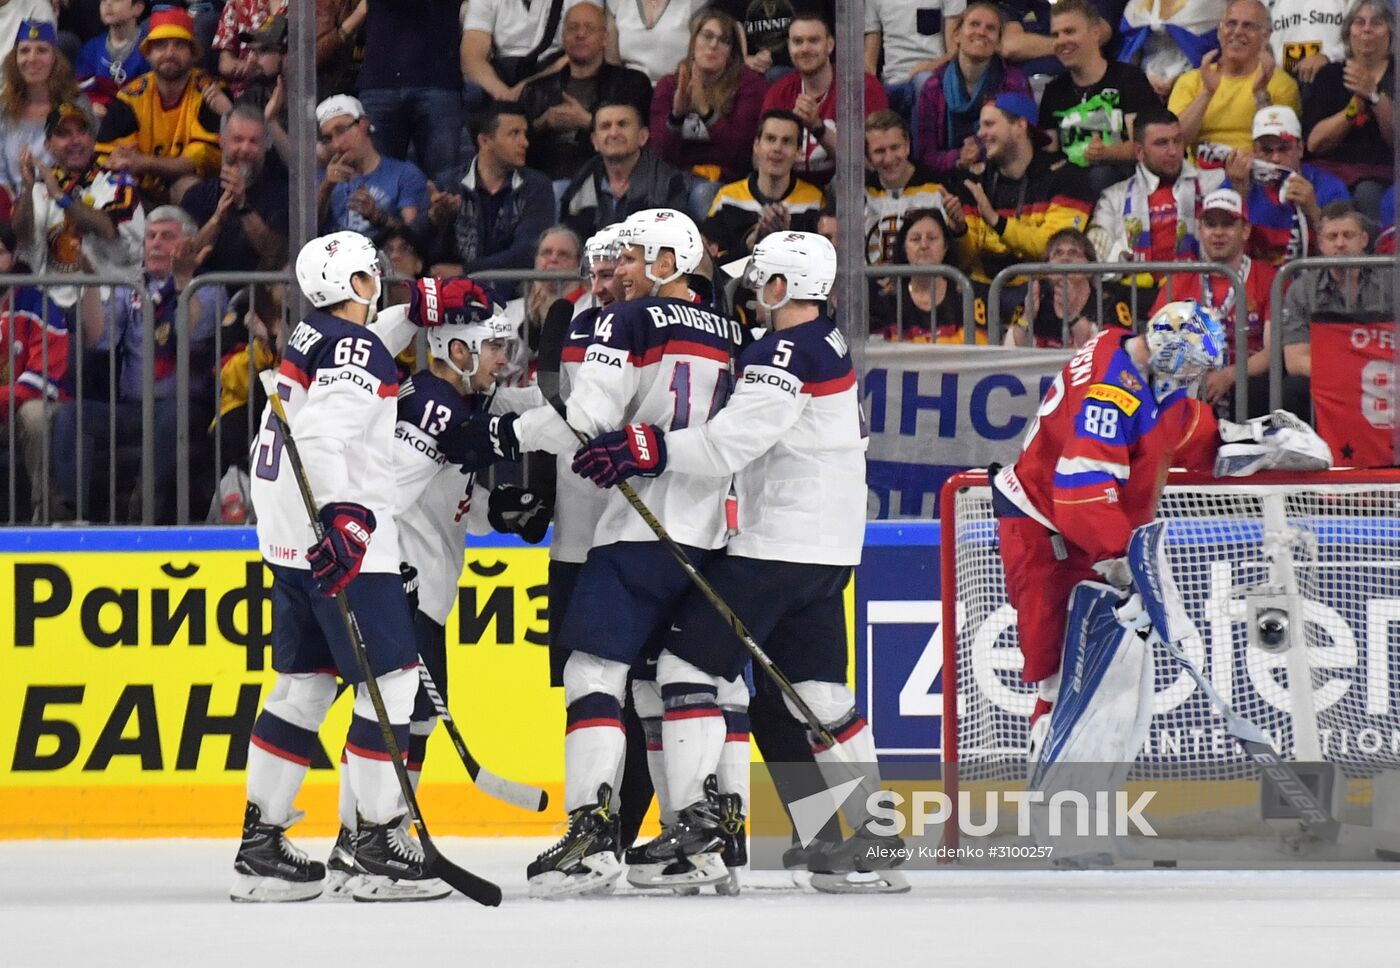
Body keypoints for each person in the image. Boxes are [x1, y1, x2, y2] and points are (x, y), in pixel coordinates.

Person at [572, 231, 903, 894]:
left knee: (684, 665)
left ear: (782, 287)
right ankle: (875, 840)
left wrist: (649, 448)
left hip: (776, 542)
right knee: (819, 694)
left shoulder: (783, 350)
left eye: (760, 280)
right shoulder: (825, 340)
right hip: (830, 547)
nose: (752, 290)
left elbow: (730, 443)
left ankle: (697, 832)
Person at [469, 208, 740, 898]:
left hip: (638, 530)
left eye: (635, 256)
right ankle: (702, 838)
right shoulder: (733, 331)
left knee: (593, 671)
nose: (620, 269)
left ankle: (592, 837)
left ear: (672, 260)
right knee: (673, 682)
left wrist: (505, 437)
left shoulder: (627, 321)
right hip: (713, 531)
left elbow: (584, 419)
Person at [230, 231, 490, 903]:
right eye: (376, 275)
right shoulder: (357, 347)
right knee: (395, 682)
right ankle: (375, 841)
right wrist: (345, 517)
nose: (384, 280)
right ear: (357, 285)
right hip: (345, 543)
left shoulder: (314, 335)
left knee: (303, 688)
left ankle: (261, 844)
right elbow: (325, 434)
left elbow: (358, 348)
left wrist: (420, 302)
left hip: (289, 541)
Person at [326, 303, 554, 896]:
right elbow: (385, 493)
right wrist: (390, 566)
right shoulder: (432, 401)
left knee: (411, 719)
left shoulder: (456, 402)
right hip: (404, 583)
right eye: (494, 347)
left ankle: (369, 839)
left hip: (424, 585)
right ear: (457, 349)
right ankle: (364, 847)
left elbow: (441, 495)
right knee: (391, 715)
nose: (504, 360)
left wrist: (497, 512)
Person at [991, 300, 1229, 739]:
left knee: (1100, 681)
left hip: (1080, 534)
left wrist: (1232, 440)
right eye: (1193, 368)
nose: (1196, 379)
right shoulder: (1111, 393)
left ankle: (1079, 798)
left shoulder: (1129, 348)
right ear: (1172, 355)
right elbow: (1081, 491)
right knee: (1062, 683)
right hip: (1046, 532)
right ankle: (1051, 799)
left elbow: (1161, 423)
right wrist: (1125, 565)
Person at [51, 206, 224, 524]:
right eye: (151, 237)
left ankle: (147, 505)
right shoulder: (132, 287)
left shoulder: (207, 287)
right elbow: (97, 338)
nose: (156, 244)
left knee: (174, 413)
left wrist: (184, 279)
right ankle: (71, 511)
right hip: (132, 408)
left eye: (167, 237)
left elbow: (189, 334)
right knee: (72, 416)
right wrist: (90, 280)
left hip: (184, 405)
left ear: (187, 244)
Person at [1147, 187, 1280, 415]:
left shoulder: (1270, 278)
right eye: (1210, 224)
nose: (1218, 233)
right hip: (1191, 380)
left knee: (1254, 389)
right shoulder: (1179, 280)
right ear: (1200, 230)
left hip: (1247, 384)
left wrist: (1228, 375)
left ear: (1245, 230)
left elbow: (1272, 351)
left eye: (1227, 224)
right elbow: (1156, 341)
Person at [952, 94, 1095, 295]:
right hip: (981, 294)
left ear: (1020, 126)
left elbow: (1053, 248)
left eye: (989, 124)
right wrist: (959, 231)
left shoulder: (1067, 176)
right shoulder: (973, 179)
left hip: (1041, 294)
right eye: (981, 126)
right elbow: (965, 258)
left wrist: (996, 221)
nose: (980, 133)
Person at [13, 99, 143, 308]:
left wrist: (60, 196)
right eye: (63, 134)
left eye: (82, 132)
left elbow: (108, 228)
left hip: (107, 305)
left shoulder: (117, 183)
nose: (75, 140)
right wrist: (27, 190)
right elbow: (20, 238)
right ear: (47, 145)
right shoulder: (36, 190)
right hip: (51, 310)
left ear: (92, 140)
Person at [1089, 107, 1230, 297]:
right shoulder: (1114, 198)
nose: (1173, 151)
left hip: (1200, 295)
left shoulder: (1213, 183)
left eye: (1177, 141)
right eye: (1161, 143)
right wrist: (1124, 257)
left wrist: (1239, 185)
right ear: (1139, 151)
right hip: (1134, 299)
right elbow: (1095, 260)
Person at [95, 8, 228, 204]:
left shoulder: (212, 93)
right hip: (139, 189)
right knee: (115, 183)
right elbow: (109, 158)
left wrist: (144, 162)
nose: (169, 53)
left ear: (193, 54)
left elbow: (198, 162)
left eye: (179, 45)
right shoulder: (129, 97)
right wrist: (129, 164)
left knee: (189, 185)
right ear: (148, 54)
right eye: (161, 45)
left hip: (191, 191)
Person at [414, 101, 555, 277]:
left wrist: (465, 271)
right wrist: (433, 219)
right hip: (453, 294)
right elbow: (412, 244)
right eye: (514, 134)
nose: (525, 143)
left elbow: (527, 252)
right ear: (485, 141)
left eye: (525, 134)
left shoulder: (536, 187)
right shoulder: (447, 185)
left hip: (515, 294)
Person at [520, 3, 653, 187]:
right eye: (573, 28)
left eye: (589, 28)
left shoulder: (631, 84)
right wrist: (542, 124)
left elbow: (641, 141)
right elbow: (516, 147)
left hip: (608, 178)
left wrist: (588, 122)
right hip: (545, 180)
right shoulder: (536, 90)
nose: (580, 34)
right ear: (564, 37)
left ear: (605, 38)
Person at [648, 9, 767, 211]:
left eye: (724, 41)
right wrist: (676, 116)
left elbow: (741, 155)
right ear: (694, 42)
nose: (713, 45)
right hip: (677, 176)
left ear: (732, 53)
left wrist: (706, 112)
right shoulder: (670, 85)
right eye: (707, 36)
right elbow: (659, 154)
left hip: (727, 180)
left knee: (702, 193)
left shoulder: (750, 86)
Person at [1039, 0, 1159, 198]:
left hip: (1123, 184)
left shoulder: (1129, 79)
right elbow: (1049, 154)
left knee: (1101, 175)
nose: (1060, 41)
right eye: (1055, 34)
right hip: (1071, 186)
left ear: (1095, 33)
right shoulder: (1054, 91)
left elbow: (1143, 146)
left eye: (1069, 31)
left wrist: (1106, 153)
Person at [758, 11, 887, 188]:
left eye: (813, 41)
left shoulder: (862, 87)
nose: (805, 49)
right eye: (797, 42)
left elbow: (872, 167)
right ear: (788, 47)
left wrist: (818, 129)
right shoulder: (779, 92)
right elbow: (758, 161)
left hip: (846, 197)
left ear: (830, 45)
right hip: (794, 194)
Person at [1302, 0, 1394, 225]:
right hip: (1328, 170)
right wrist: (1354, 108)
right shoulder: (1329, 75)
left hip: (1379, 173)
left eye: (1376, 23)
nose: (1367, 29)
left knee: (1367, 194)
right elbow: (1314, 143)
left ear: (1391, 32)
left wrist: (1374, 96)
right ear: (1348, 32)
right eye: (1359, 22)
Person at [915, 1, 1030, 180]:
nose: (981, 32)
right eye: (974, 24)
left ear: (999, 42)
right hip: (947, 183)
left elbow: (1023, 141)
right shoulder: (932, 87)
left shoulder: (1015, 82)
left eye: (990, 28)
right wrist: (958, 157)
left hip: (1002, 180)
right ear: (957, 35)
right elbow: (925, 155)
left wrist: (981, 151)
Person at [1167, 0, 1301, 153]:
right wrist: (1207, 94)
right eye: (1231, 24)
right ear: (1219, 31)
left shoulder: (1281, 83)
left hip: (1255, 171)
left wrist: (1260, 92)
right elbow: (1175, 145)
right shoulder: (1191, 80)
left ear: (1266, 35)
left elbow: (1279, 149)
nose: (1237, 32)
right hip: (1201, 172)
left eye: (1248, 26)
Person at [704, 109, 823, 264]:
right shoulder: (727, 197)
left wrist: (786, 240)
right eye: (770, 139)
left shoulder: (814, 201)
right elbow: (713, 264)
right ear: (756, 145)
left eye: (786, 141)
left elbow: (820, 263)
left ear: (799, 152)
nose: (777, 148)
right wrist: (751, 243)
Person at [558, 100, 688, 240]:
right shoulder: (579, 186)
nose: (613, 133)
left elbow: (674, 242)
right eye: (605, 126)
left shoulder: (668, 182)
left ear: (642, 137)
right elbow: (571, 247)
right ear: (595, 141)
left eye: (622, 124)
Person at [182, 103, 289, 272]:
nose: (245, 149)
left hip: (260, 295)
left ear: (266, 145)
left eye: (253, 141)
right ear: (222, 141)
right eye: (238, 140)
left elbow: (276, 256)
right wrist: (217, 218)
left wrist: (242, 206)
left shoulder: (283, 194)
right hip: (207, 295)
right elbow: (186, 258)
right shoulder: (197, 195)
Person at [1239, 104, 1350, 266]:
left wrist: (1313, 210)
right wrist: (1240, 195)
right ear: (1254, 151)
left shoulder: (1330, 188)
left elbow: (1346, 249)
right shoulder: (1238, 180)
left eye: (1284, 149)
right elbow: (1216, 247)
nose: (1276, 158)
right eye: (1266, 150)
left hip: (1312, 284)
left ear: (1300, 149)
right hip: (1254, 284)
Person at [315, 93, 427, 237]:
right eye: (328, 138)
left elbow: (415, 239)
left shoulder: (404, 174)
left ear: (363, 125)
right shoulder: (324, 180)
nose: (336, 144)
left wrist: (376, 216)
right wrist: (326, 189)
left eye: (341, 131)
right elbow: (304, 236)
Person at [1006, 227, 1139, 348]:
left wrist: (1073, 313)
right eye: (1058, 253)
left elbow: (1111, 351)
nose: (1065, 258)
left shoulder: (1110, 303)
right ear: (1047, 268)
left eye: (1074, 253)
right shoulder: (1036, 298)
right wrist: (1027, 318)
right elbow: (1014, 350)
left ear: (1090, 268)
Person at [863, 109, 964, 267]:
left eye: (895, 148)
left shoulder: (938, 188)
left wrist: (959, 228)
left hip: (926, 287)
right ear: (868, 155)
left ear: (908, 146)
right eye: (879, 151)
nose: (889, 159)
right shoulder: (860, 192)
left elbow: (957, 254)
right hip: (871, 289)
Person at [498, 225, 587, 386]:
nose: (553, 259)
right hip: (513, 399)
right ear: (536, 260)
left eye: (564, 255)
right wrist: (531, 329)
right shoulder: (511, 311)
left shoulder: (590, 309)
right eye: (546, 253)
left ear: (579, 264)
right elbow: (499, 368)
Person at [0, 20, 80, 197]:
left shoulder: (77, 105)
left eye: (42, 50)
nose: (32, 59)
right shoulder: (2, 109)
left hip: (67, 204)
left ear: (55, 58)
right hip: (12, 209)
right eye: (24, 51)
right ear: (14, 59)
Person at [869, 207, 969, 342]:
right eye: (915, 239)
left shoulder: (965, 297)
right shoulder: (886, 302)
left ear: (946, 246)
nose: (924, 245)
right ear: (904, 248)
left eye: (932, 238)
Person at [864, 0, 964, 121]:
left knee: (924, 82)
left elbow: (954, 51)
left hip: (933, 76)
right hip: (892, 80)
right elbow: (870, 61)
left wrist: (930, 66)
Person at [1118, 0, 1226, 101]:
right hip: (1145, 83)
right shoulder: (1137, 5)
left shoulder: (1209, 4)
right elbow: (1131, 50)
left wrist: (1178, 79)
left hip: (1197, 84)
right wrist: (1144, 77)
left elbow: (1208, 49)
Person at [604, 0, 705, 86]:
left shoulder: (695, 4)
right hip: (628, 90)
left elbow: (699, 59)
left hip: (675, 90)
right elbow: (612, 62)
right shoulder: (616, 3)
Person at [73, 0, 149, 91]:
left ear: (138, 8)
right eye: (103, 0)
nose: (108, 3)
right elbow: (82, 91)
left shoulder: (149, 47)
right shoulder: (91, 49)